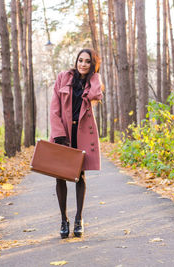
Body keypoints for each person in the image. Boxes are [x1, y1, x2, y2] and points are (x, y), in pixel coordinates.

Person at [49, 48, 103, 238]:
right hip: (63, 132)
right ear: (76, 61)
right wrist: (58, 134)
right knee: (60, 176)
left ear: (92, 65)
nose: (83, 64)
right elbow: (54, 109)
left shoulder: (91, 83)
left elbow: (97, 95)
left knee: (79, 176)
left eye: (88, 61)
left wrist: (95, 76)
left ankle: (79, 219)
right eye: (80, 60)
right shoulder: (63, 77)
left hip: (81, 134)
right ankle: (64, 221)